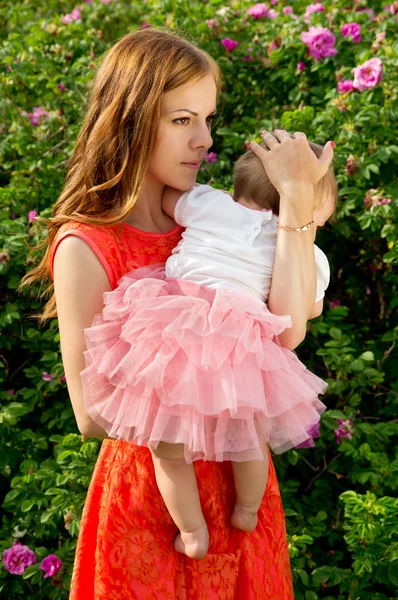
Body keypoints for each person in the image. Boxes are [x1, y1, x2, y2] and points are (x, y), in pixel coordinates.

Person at [20, 27, 334, 599]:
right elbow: (91, 416)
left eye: (208, 120)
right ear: (132, 120)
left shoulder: (211, 226)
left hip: (243, 502)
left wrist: (297, 201)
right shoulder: (87, 245)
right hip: (152, 513)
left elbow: (287, 330)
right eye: (182, 120)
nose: (204, 141)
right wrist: (216, 402)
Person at [80, 139, 337, 561]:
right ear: (313, 205)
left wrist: (217, 203)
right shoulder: (309, 254)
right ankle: (247, 510)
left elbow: (167, 199)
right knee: (250, 436)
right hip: (237, 350)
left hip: (176, 329)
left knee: (167, 446)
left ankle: (192, 531)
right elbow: (305, 309)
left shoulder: (210, 205)